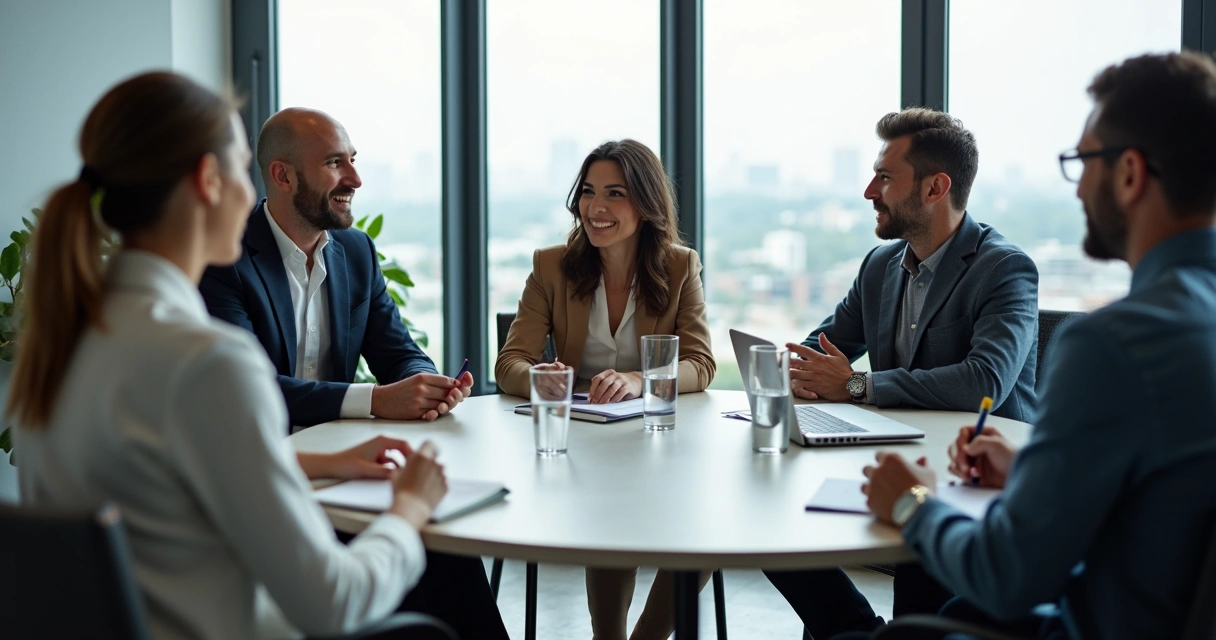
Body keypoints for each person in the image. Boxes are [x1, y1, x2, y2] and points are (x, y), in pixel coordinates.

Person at [9, 72, 454, 639]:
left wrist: (321, 462)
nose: (250, 195)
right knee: (437, 592)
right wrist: (412, 509)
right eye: (244, 169)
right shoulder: (207, 363)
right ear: (208, 181)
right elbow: (334, 603)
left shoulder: (61, 342)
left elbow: (159, 480)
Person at [858, 51, 1216, 640]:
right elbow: (1166, 497)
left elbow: (1008, 576)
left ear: (1129, 173)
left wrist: (910, 501)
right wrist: (1031, 468)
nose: (1077, 192)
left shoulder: (1112, 345)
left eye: (1082, 162)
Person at [764, 108, 1040, 639]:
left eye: (885, 177)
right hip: (892, 461)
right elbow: (821, 352)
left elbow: (984, 382)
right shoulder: (880, 265)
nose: (870, 190)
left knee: (922, 593)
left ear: (937, 187)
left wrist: (855, 385)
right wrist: (782, 371)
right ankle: (871, 632)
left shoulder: (1004, 268)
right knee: (776, 531)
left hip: (974, 477)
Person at [495, 139, 715, 639]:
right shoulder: (551, 265)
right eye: (588, 192)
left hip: (660, 442)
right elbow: (510, 362)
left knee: (708, 521)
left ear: (646, 203)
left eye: (615, 194)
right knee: (610, 508)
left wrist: (642, 380)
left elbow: (700, 365)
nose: (596, 208)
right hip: (583, 445)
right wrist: (543, 380)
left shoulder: (680, 266)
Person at [199, 107, 472, 430]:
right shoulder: (223, 257)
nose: (355, 180)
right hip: (254, 458)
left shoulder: (358, 251)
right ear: (283, 176)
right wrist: (376, 400)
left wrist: (427, 386)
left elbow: (398, 353)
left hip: (342, 451)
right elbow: (249, 386)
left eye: (352, 160)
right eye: (334, 163)